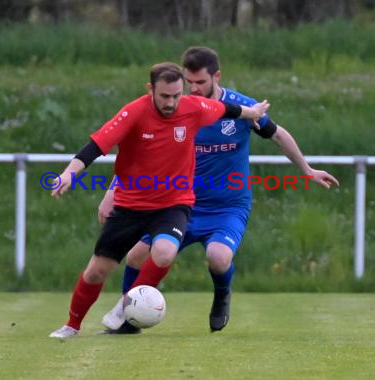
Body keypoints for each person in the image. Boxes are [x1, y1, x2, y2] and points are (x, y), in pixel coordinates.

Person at [99, 47, 339, 334]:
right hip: (181, 205)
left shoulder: (240, 108)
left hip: (228, 206)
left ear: (217, 76)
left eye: (200, 82)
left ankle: (222, 295)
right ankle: (129, 320)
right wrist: (113, 191)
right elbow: (141, 155)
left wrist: (307, 169)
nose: (194, 89)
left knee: (218, 257)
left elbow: (277, 133)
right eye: (189, 82)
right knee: (137, 255)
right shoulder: (180, 110)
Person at [48, 62, 270, 339]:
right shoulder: (134, 112)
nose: (172, 102)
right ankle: (72, 325)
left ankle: (124, 306)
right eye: (165, 96)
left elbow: (228, 109)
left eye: (176, 95)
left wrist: (253, 112)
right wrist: (69, 174)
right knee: (96, 272)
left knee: (164, 252)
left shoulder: (192, 106)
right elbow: (95, 147)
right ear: (151, 89)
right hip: (131, 205)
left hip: (173, 204)